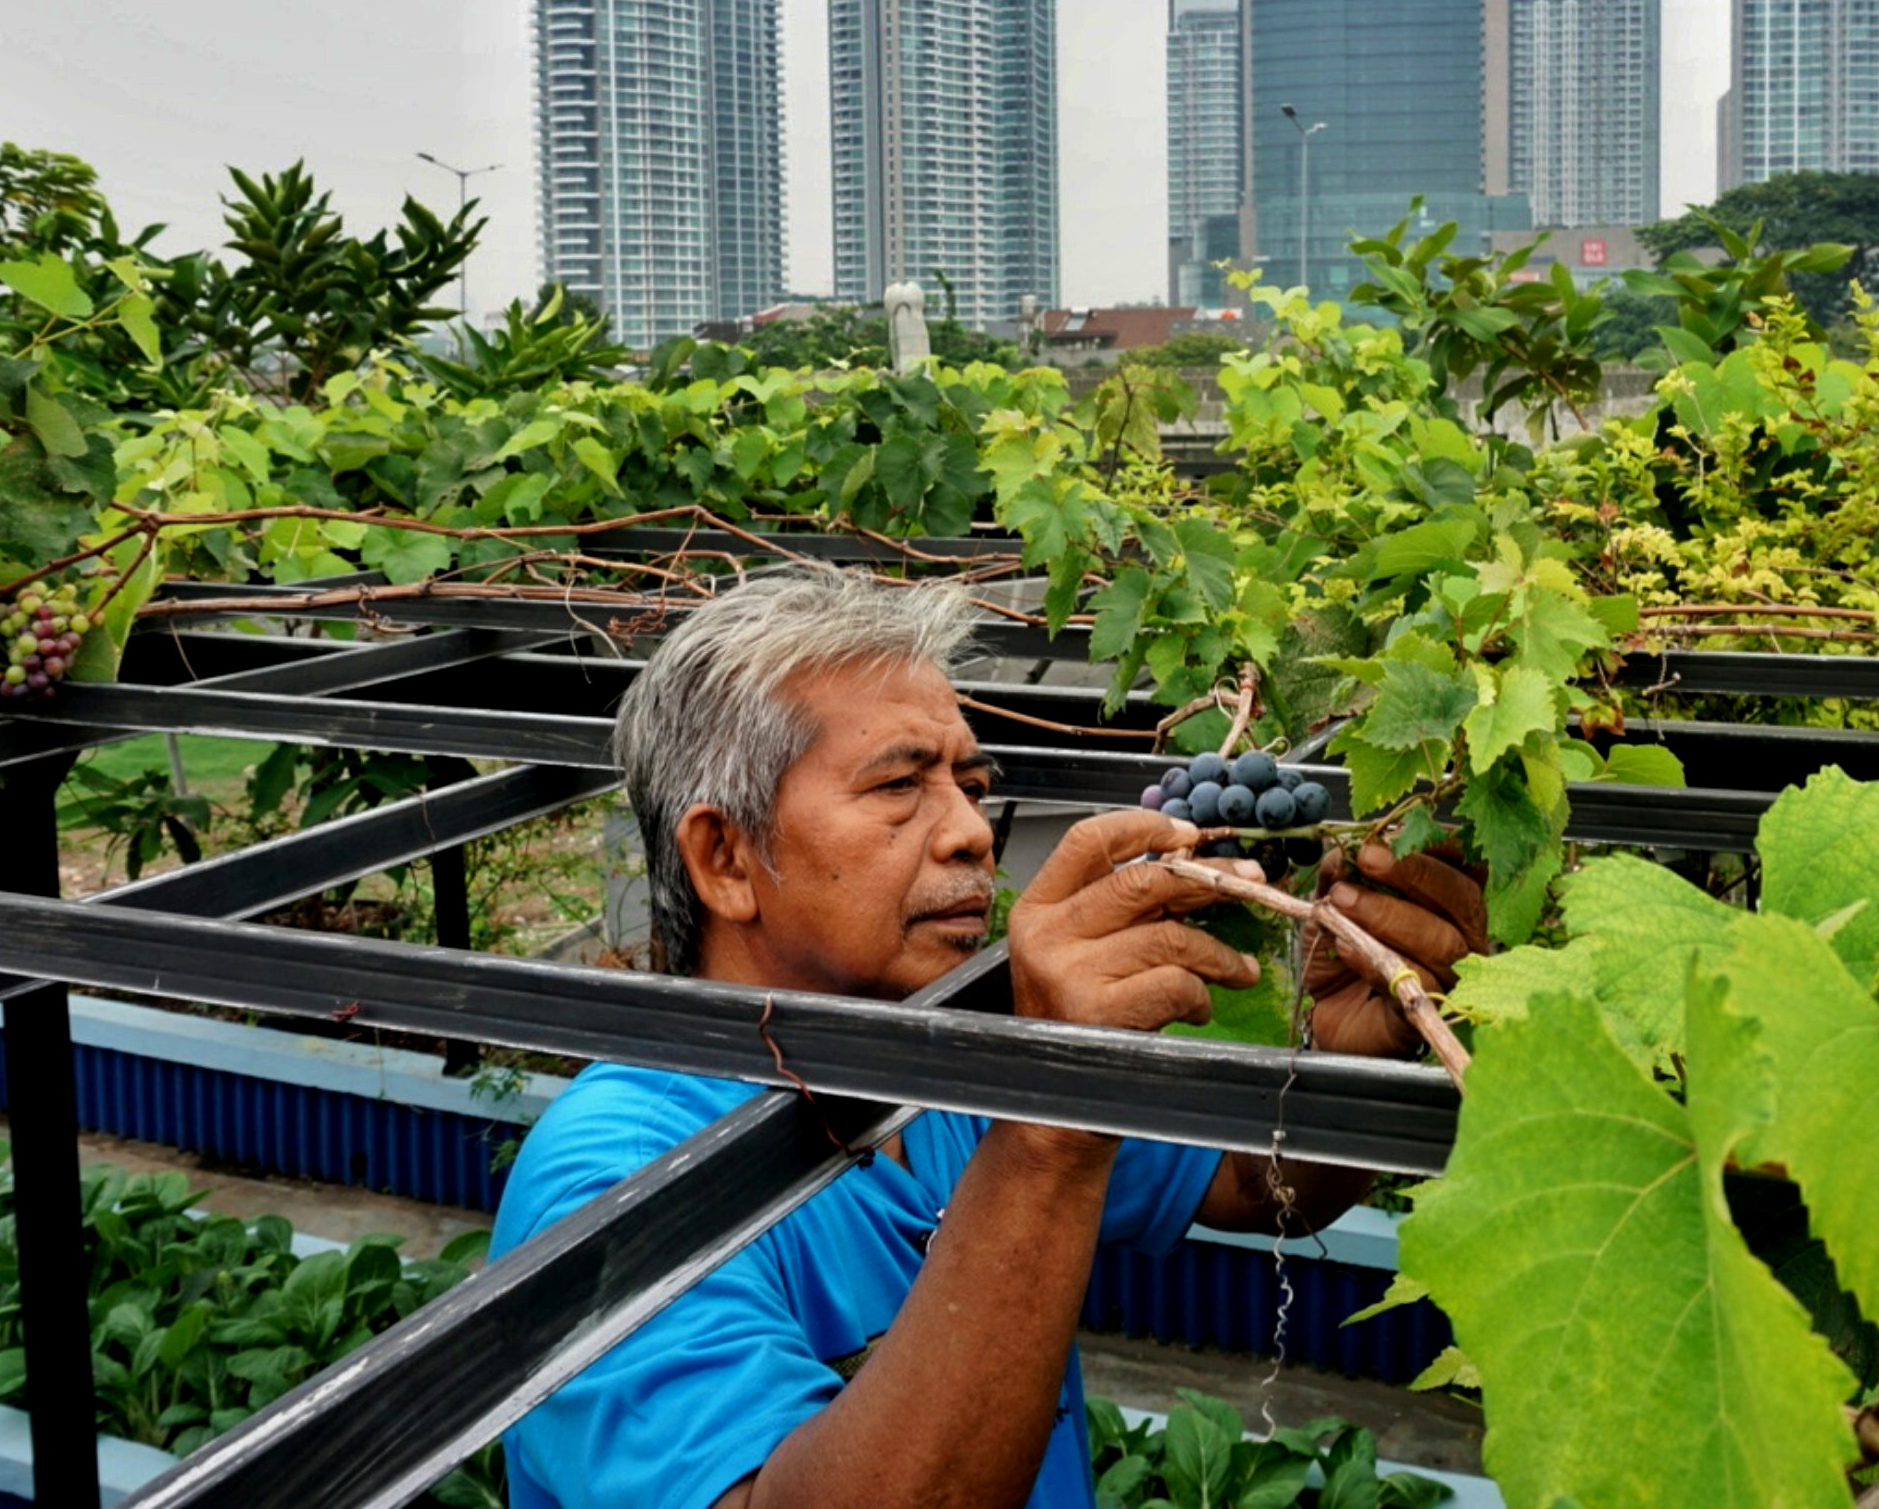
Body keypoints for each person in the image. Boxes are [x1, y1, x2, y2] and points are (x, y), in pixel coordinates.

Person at [491, 568, 1486, 1509]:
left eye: (969, 782)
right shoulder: (608, 1177)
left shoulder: (946, 1062)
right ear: (726, 857)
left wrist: (1349, 1046)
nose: (970, 827)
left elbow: (1249, 1180)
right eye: (898, 784)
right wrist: (1050, 1124)